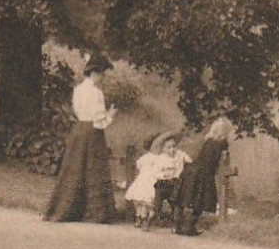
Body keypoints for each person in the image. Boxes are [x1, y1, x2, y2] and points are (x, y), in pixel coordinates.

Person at [42, 54, 119, 223]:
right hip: (92, 133)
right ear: (95, 73)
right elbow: (99, 121)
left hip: (79, 131)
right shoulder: (96, 92)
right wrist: (110, 115)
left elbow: (79, 112)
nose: (103, 77)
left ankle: (65, 209)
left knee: (75, 168)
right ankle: (96, 213)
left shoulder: (77, 90)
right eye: (102, 74)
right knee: (94, 169)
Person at [173, 115, 234, 236]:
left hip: (192, 169)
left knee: (184, 198)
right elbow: (222, 159)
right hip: (204, 173)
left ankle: (178, 225)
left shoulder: (207, 140)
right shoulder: (223, 143)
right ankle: (190, 227)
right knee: (200, 200)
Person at [127, 133, 190, 229]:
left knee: (176, 204)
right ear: (163, 149)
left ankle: (177, 225)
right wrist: (163, 175)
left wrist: (184, 159)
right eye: (169, 148)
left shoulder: (179, 155)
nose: (172, 150)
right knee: (157, 205)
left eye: (174, 146)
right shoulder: (161, 158)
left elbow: (188, 163)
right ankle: (147, 222)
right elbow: (155, 172)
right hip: (163, 184)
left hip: (175, 183)